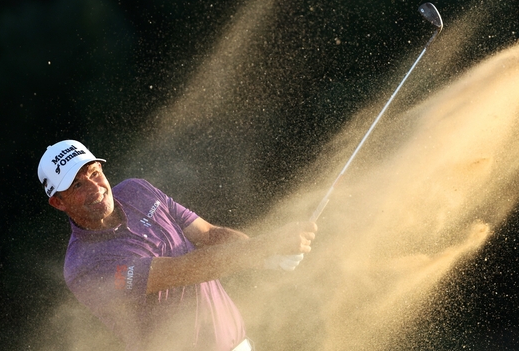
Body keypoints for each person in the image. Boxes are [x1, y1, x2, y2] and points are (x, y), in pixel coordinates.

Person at [38, 139, 317, 351]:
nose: (95, 188)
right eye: (76, 185)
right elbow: (183, 270)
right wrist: (264, 247)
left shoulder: (137, 191)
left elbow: (208, 235)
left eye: (94, 173)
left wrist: (264, 256)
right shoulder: (84, 266)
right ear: (58, 202)